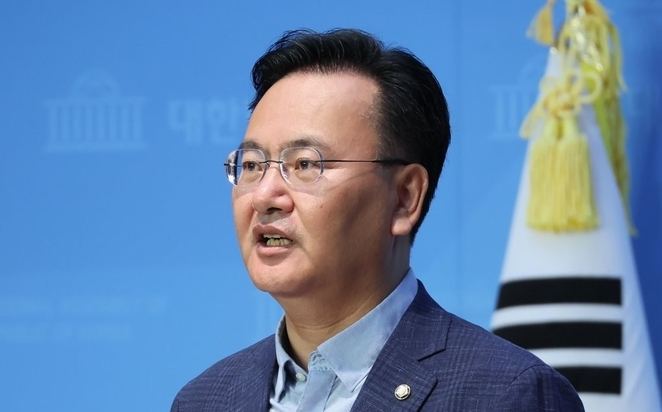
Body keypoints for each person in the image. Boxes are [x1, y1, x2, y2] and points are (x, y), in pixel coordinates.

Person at [170, 28, 584, 411]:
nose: (264, 196)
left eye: (305, 164)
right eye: (253, 164)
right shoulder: (205, 400)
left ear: (404, 198)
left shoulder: (505, 394)